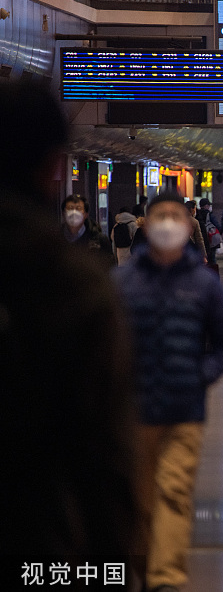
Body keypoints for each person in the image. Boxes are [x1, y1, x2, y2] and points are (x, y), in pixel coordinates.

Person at [4, 81, 137, 573]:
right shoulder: (70, 280)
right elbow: (103, 446)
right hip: (37, 529)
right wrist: (112, 565)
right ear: (55, 166)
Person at [115, 193, 223, 592]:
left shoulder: (203, 283)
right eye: (159, 217)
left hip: (185, 409)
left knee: (174, 492)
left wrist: (201, 374)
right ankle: (145, 566)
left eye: (175, 217)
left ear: (188, 227)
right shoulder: (121, 282)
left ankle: (164, 579)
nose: (168, 223)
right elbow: (97, 340)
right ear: (145, 226)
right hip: (133, 410)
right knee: (138, 500)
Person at [61, 194, 115, 266]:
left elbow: (110, 269)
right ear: (63, 213)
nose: (74, 213)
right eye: (70, 208)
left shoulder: (99, 240)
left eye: (78, 208)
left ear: (86, 214)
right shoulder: (53, 239)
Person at [196, 197, 219, 263]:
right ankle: (213, 272)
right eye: (208, 205)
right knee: (212, 257)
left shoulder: (197, 214)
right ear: (206, 206)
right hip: (210, 238)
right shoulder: (210, 215)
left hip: (201, 239)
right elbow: (217, 224)